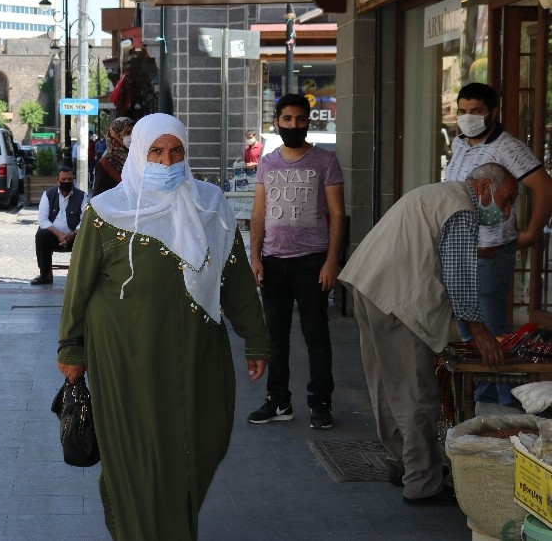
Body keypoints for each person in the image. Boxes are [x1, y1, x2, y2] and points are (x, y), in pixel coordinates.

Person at [57, 113, 269, 539]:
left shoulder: (211, 205)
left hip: (197, 350)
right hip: (125, 356)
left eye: (176, 152)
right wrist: (71, 349)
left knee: (201, 443)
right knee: (136, 454)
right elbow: (77, 288)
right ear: (139, 154)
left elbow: (234, 277)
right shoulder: (106, 212)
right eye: (156, 151)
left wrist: (255, 339)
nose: (167, 162)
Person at [339, 163, 515, 505]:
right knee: (416, 394)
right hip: (396, 297)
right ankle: (422, 482)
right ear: (482, 187)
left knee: (388, 387)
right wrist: (480, 333)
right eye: (506, 201)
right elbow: (461, 279)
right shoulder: (462, 209)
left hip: (368, 284)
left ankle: (403, 463)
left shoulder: (439, 193)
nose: (506, 211)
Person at [444, 82, 552, 406]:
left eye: (476, 111)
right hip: (459, 251)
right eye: (462, 111)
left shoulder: (509, 148)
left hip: (489, 254)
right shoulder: (461, 143)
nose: (468, 117)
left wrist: (532, 233)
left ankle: (509, 405)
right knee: (469, 333)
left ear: (493, 112)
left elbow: (545, 189)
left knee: (494, 335)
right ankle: (482, 400)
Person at [248, 93, 344, 429]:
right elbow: (258, 213)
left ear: (308, 122)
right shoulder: (268, 162)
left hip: (312, 262)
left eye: (300, 119)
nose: (293, 125)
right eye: (286, 119)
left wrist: (332, 261)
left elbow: (337, 214)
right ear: (276, 122)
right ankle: (278, 401)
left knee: (315, 335)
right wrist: (255, 257)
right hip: (273, 263)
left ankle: (320, 403)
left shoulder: (325, 161)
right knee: (275, 337)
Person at [31, 166, 87, 285]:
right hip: (53, 236)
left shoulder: (82, 196)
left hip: (74, 237)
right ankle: (45, 275)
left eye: (69, 179)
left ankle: (80, 276)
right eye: (64, 179)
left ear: (73, 180)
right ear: (57, 180)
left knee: (87, 235)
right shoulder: (48, 194)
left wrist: (72, 234)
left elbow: (85, 221)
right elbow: (43, 220)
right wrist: (59, 234)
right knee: (41, 234)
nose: (66, 182)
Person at [91, 116, 134, 197]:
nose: (131, 136)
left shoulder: (138, 158)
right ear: (116, 136)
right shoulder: (105, 164)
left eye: (133, 133)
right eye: (127, 133)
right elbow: (97, 197)